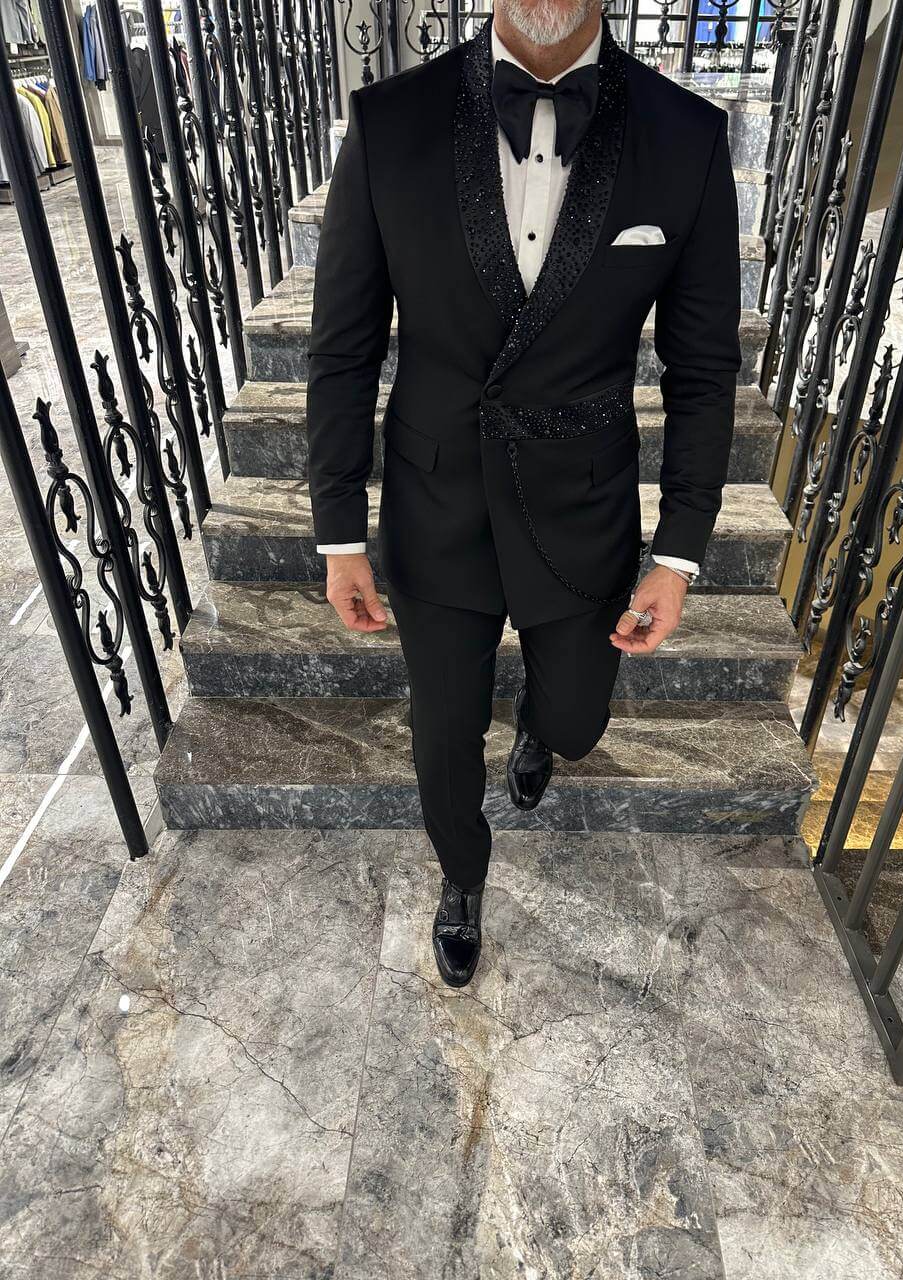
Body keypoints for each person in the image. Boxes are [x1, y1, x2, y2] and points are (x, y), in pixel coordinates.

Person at [307, 0, 742, 986]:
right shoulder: (389, 122)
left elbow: (704, 371)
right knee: (443, 739)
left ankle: (546, 727)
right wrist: (339, 529)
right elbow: (342, 349)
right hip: (435, 500)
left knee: (580, 722)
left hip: (581, 504)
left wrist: (678, 551)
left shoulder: (685, 137)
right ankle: (462, 875)